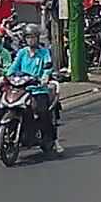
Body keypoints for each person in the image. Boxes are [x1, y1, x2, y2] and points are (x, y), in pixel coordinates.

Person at [5, 23, 63, 153]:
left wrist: (45, 77)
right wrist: (8, 75)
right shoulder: (22, 52)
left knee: (42, 113)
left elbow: (48, 67)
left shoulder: (44, 52)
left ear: (37, 38)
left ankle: (52, 139)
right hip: (23, 88)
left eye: (33, 37)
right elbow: (14, 67)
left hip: (38, 89)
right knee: (10, 106)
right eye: (28, 37)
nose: (31, 40)